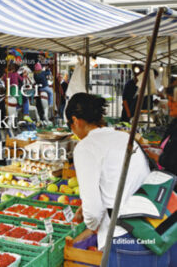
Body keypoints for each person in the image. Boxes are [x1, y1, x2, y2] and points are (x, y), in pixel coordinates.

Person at [65, 92, 177, 266]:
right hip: (159, 230)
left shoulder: (86, 147)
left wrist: (89, 220)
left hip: (126, 239)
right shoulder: (125, 136)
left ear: (76, 120)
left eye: (70, 125)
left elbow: (94, 211)